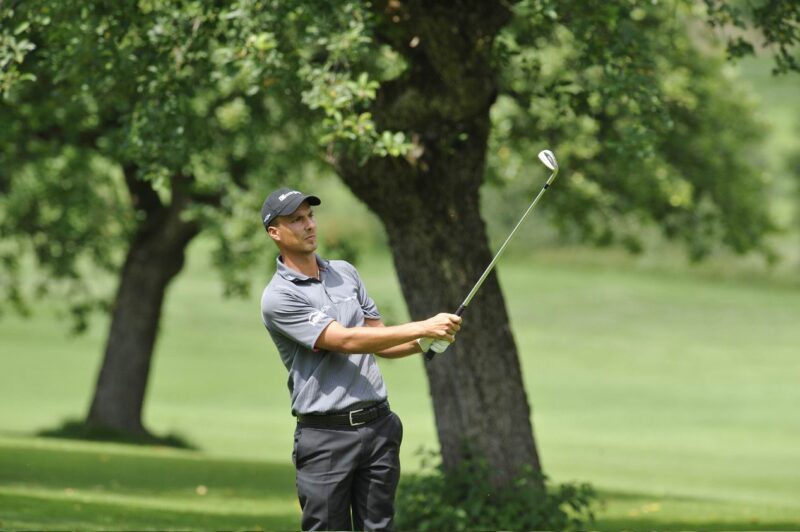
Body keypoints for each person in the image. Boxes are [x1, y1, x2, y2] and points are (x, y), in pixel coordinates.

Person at [259, 187, 461, 531]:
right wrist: (422, 325)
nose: (309, 225)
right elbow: (345, 339)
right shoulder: (279, 297)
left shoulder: (345, 273)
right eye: (296, 220)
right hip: (325, 437)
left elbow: (380, 343)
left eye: (310, 216)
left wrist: (427, 340)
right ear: (274, 233)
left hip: (379, 427)